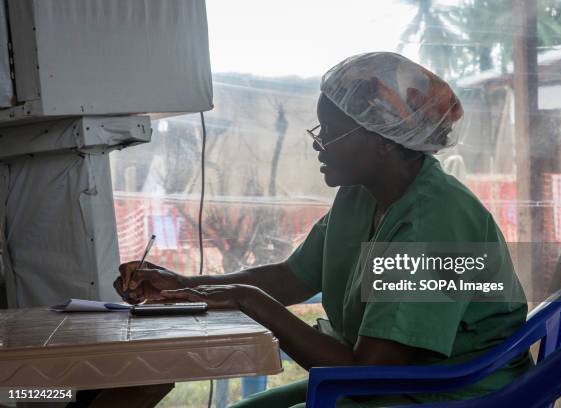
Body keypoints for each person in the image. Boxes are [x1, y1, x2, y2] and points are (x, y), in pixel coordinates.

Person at [114, 52, 531, 407]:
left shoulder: (432, 222)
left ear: (383, 139)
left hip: (449, 394)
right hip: (399, 385)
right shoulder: (362, 194)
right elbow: (291, 277)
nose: (318, 143)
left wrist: (249, 301)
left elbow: (365, 377)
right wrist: (184, 285)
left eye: (331, 131)